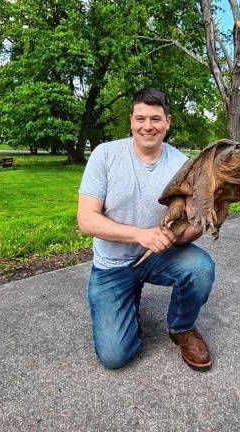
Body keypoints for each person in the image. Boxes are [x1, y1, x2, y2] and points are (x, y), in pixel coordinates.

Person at [77, 88, 216, 371]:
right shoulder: (105, 155)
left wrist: (204, 221)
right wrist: (141, 234)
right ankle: (127, 298)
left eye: (155, 118)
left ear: (168, 121)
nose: (148, 126)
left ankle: (181, 328)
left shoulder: (183, 165)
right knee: (115, 356)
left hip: (158, 257)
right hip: (112, 265)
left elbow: (185, 233)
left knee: (200, 267)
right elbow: (86, 220)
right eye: (140, 118)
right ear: (131, 120)